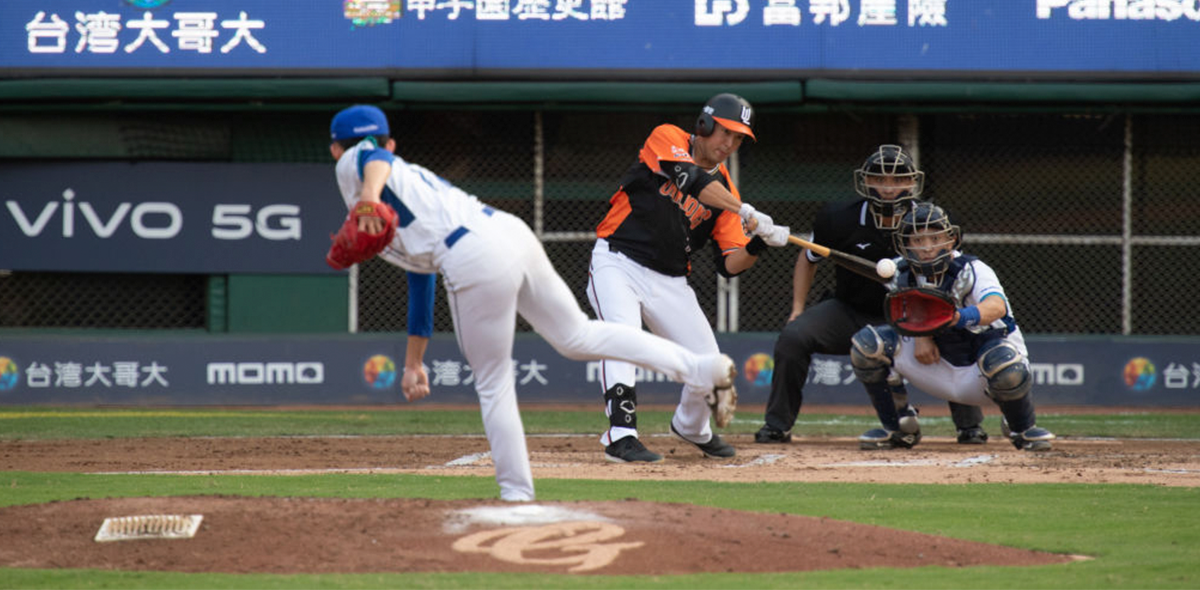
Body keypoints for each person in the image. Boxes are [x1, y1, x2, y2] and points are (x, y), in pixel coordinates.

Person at [326, 104, 749, 502]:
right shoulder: (405, 192)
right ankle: (697, 369)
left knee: (493, 382)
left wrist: (366, 196)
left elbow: (367, 155)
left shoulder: (359, 168)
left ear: (336, 148)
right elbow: (421, 279)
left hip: (473, 255)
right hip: (509, 233)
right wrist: (414, 363)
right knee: (578, 336)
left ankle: (517, 497)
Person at [586, 93, 791, 463]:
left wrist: (759, 243)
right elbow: (691, 179)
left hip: (670, 281)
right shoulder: (668, 138)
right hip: (618, 261)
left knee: (710, 364)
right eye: (724, 132)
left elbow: (730, 264)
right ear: (704, 126)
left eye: (738, 138)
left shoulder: (727, 192)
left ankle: (691, 427)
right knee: (622, 336)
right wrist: (744, 209)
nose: (729, 144)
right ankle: (621, 435)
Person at [753, 145, 988, 446]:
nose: (889, 187)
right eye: (880, 179)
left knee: (955, 334)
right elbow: (808, 258)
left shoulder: (933, 219)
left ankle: (969, 426)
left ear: (913, 182)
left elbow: (951, 272)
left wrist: (925, 330)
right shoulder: (837, 218)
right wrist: (797, 308)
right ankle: (777, 426)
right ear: (865, 181)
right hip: (851, 310)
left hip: (914, 313)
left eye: (898, 179)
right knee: (793, 337)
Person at [850, 203, 1056, 451]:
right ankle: (899, 427)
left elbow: (996, 307)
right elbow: (911, 311)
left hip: (983, 371)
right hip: (936, 364)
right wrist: (921, 337)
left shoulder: (973, 270)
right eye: (917, 240)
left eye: (935, 238)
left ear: (951, 240)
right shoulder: (901, 272)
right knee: (867, 345)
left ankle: (1022, 428)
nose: (926, 247)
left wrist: (957, 317)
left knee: (1003, 363)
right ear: (905, 245)